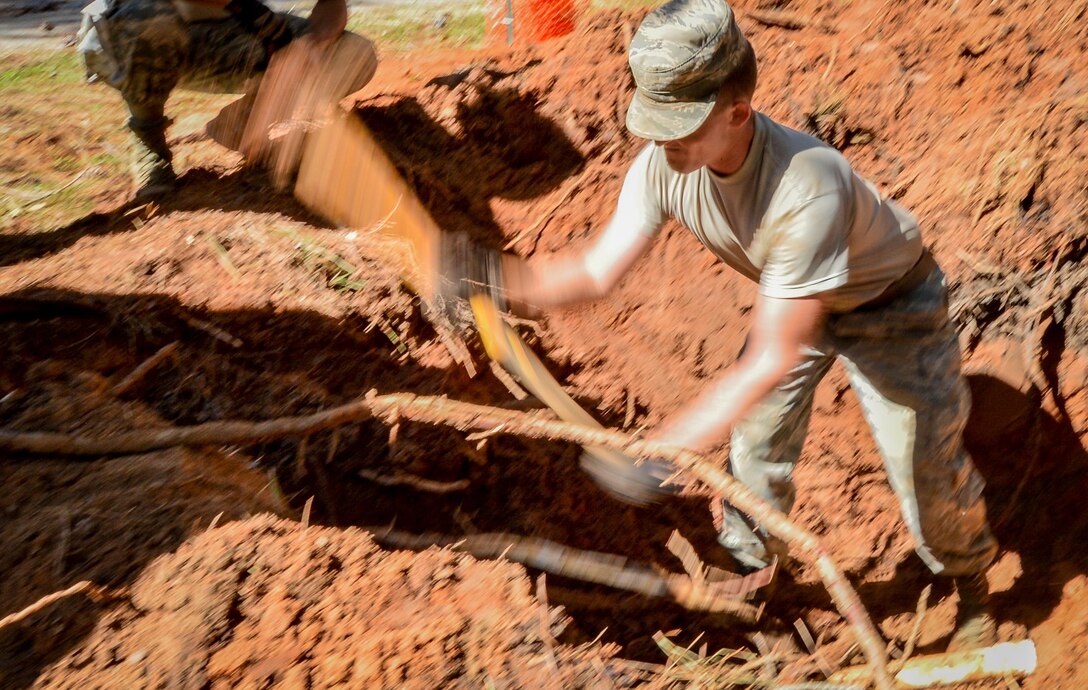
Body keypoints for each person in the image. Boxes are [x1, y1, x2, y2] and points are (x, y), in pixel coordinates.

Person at [443, 0, 998, 651]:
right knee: (756, 444)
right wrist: (486, 275)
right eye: (654, 121)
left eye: (678, 125)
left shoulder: (805, 185)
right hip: (797, 298)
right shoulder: (664, 163)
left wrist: (661, 453)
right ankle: (753, 576)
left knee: (921, 467)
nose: (660, 139)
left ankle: (974, 587)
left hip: (891, 306)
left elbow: (769, 358)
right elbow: (596, 272)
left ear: (737, 112)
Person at [76, 0, 377, 198]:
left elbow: (331, 7)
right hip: (133, 36)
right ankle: (148, 141)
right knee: (150, 16)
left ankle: (243, 123)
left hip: (228, 35)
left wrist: (311, 44)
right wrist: (257, 17)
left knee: (355, 54)